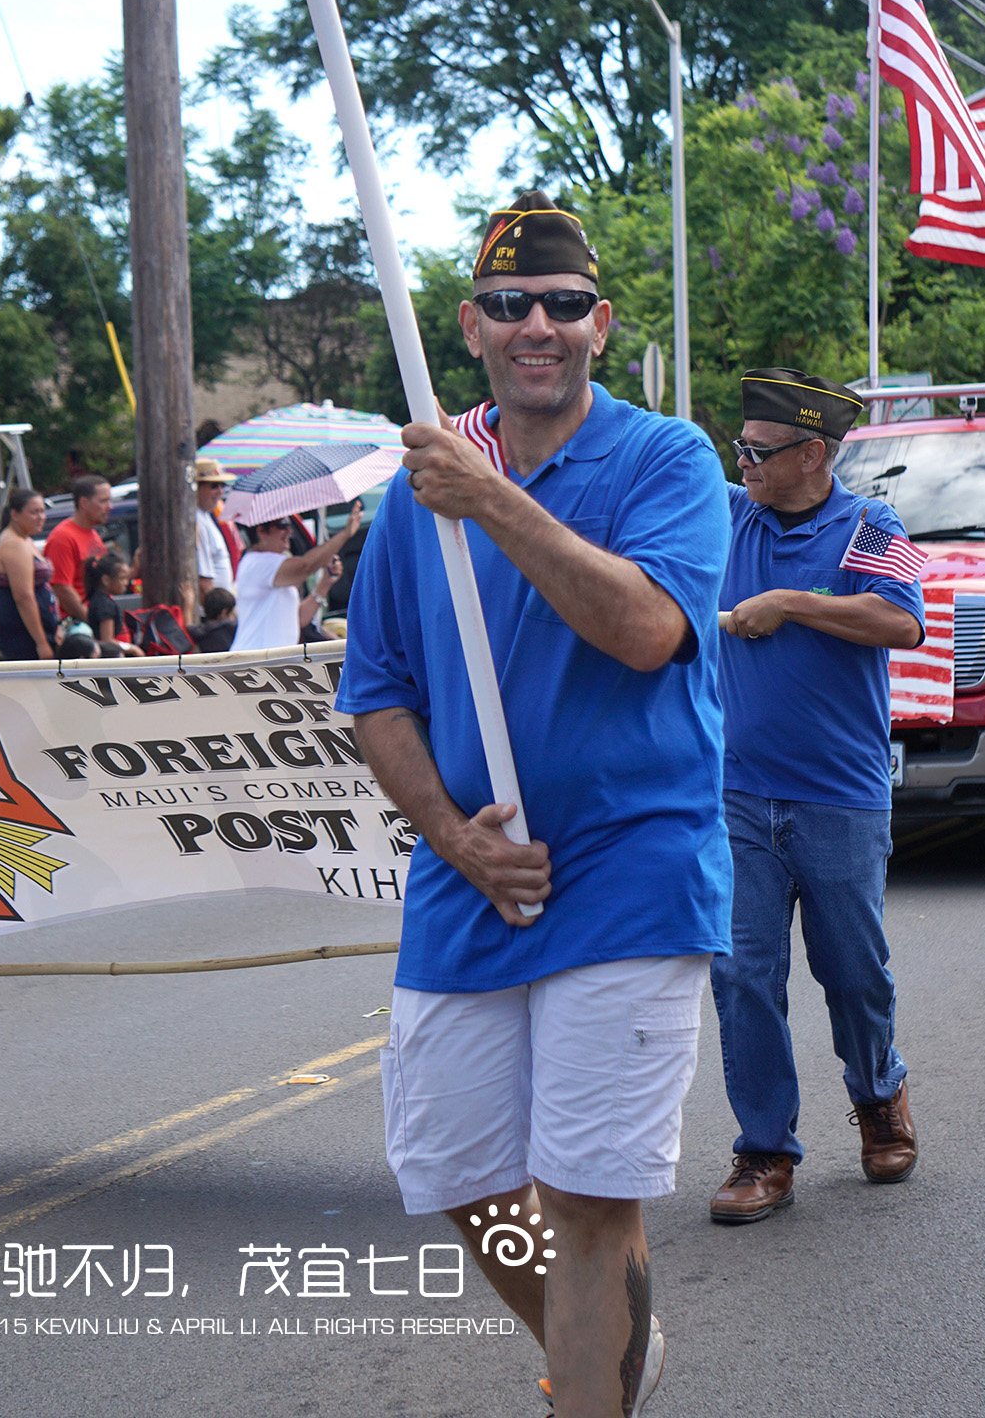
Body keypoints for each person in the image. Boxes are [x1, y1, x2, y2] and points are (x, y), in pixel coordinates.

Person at [335, 191, 732, 1417]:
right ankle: (610, 1350)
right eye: (510, 307)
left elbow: (647, 628)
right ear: (471, 326)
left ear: (601, 323)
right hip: (474, 883)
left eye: (563, 306)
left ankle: (588, 1388)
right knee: (455, 1171)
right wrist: (453, 837)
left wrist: (493, 496)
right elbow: (379, 694)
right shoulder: (411, 495)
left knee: (588, 1192)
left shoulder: (670, 459)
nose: (537, 326)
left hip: (631, 871)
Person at [708, 367, 925, 1225]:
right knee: (740, 973)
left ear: (815, 452)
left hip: (840, 797)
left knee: (852, 973)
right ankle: (765, 1149)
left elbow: (900, 621)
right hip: (736, 796)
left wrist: (792, 605)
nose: (746, 462)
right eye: (741, 448)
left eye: (760, 451)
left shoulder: (871, 522)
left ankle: (879, 1096)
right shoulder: (730, 515)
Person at [232, 508, 360, 652]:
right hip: (255, 661)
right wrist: (344, 535)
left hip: (270, 661)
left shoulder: (270, 564)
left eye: (289, 525)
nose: (289, 531)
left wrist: (325, 582)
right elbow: (306, 566)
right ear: (261, 531)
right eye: (282, 525)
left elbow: (299, 618)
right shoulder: (257, 562)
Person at [0, 488, 58, 661]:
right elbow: (23, 597)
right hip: (21, 633)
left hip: (36, 630)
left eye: (42, 511)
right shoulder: (14, 544)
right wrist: (41, 642)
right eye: (34, 512)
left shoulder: (25, 539)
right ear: (15, 515)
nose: (41, 517)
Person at [44, 474, 111, 623]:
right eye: (104, 501)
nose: (110, 506)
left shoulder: (92, 533)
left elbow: (101, 580)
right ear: (84, 503)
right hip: (79, 627)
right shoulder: (63, 537)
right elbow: (61, 588)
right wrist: (93, 622)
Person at [193, 458, 236, 605]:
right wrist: (220, 615)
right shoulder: (196, 521)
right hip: (214, 612)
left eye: (222, 485)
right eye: (214, 485)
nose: (220, 491)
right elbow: (204, 582)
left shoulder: (205, 516)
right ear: (196, 487)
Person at [84, 552, 143, 656]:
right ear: (106, 580)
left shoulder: (102, 599)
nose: (126, 582)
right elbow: (107, 641)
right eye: (122, 578)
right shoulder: (104, 604)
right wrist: (132, 649)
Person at [188, 586, 238, 654]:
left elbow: (189, 626)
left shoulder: (199, 633)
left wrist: (188, 604)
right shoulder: (230, 628)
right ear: (224, 613)